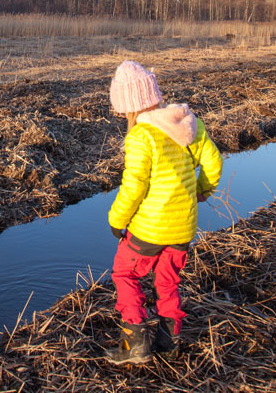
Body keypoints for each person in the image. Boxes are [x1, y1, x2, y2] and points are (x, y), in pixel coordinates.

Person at [104, 60, 223, 365]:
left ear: (129, 106)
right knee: (167, 282)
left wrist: (116, 221)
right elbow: (213, 163)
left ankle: (135, 343)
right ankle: (169, 342)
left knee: (124, 273)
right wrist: (202, 191)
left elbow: (134, 187)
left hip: (149, 229)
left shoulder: (141, 137)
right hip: (183, 229)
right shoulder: (187, 125)